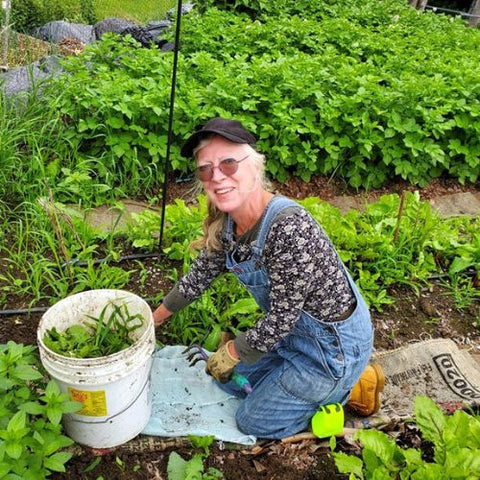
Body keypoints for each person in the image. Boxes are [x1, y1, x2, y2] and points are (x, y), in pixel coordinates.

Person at [153, 117, 384, 439]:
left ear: (255, 167)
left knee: (254, 422)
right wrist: (155, 319)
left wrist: (234, 350)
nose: (217, 176)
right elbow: (201, 274)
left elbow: (283, 317)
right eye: (206, 169)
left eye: (229, 163)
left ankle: (350, 387)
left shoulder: (288, 226)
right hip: (293, 339)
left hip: (331, 351)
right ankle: (307, 384)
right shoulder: (230, 222)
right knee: (232, 384)